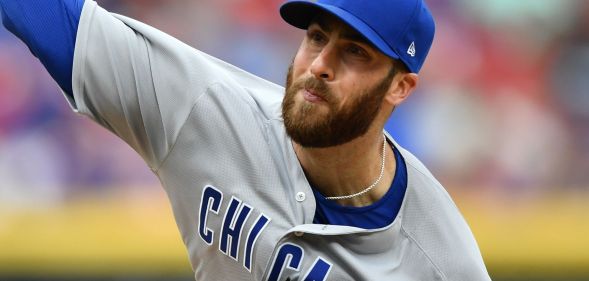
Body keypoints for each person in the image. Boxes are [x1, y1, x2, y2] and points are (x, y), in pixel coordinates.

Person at [0, 0, 491, 280]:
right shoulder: (208, 110)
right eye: (318, 37)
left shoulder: (440, 260)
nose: (320, 64)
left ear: (400, 87)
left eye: (355, 52)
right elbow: (49, 18)